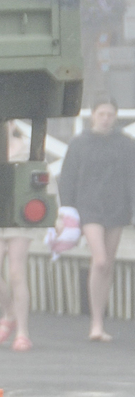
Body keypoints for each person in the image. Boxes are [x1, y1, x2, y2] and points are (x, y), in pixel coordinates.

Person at [57, 97, 135, 341]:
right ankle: (95, 322)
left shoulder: (125, 144)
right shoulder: (80, 143)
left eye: (110, 114)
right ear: (93, 115)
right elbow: (67, 178)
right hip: (88, 207)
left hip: (117, 207)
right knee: (99, 260)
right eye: (102, 113)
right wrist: (67, 211)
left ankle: (99, 322)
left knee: (109, 263)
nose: (106, 118)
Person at [0, 121, 36, 351]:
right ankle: (9, 311)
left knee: (17, 274)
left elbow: (44, 179)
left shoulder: (27, 148)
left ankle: (22, 332)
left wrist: (58, 216)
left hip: (19, 217)